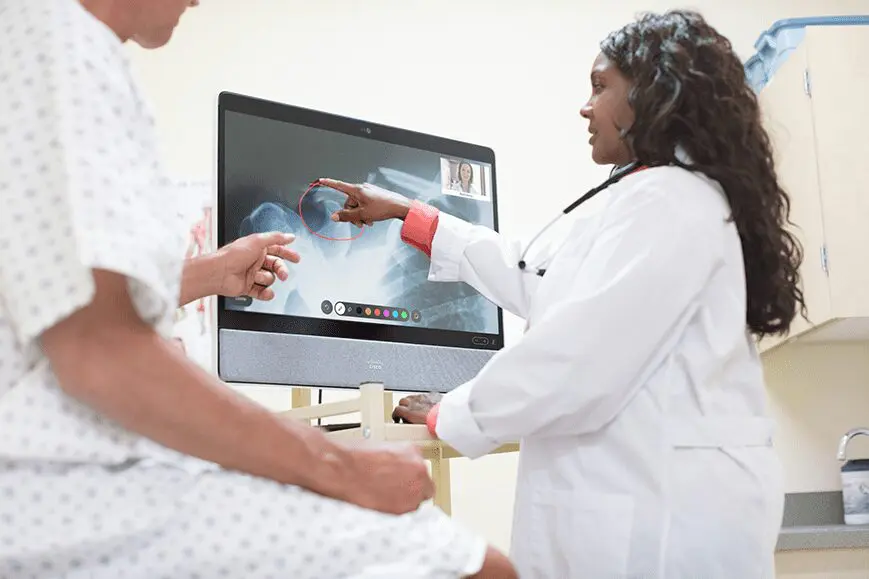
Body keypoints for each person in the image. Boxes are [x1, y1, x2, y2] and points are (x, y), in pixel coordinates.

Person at [0, 1, 517, 578]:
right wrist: (344, 469)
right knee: (480, 565)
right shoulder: (63, 44)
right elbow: (102, 353)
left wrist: (213, 274)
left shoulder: (38, 38)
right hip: (52, 478)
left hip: (73, 458)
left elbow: (53, 290)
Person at [321, 9, 805, 578]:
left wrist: (450, 412)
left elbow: (574, 357)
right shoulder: (654, 198)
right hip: (644, 509)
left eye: (601, 87)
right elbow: (544, 283)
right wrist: (411, 214)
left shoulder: (670, 203)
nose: (585, 106)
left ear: (653, 95)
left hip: (665, 527)